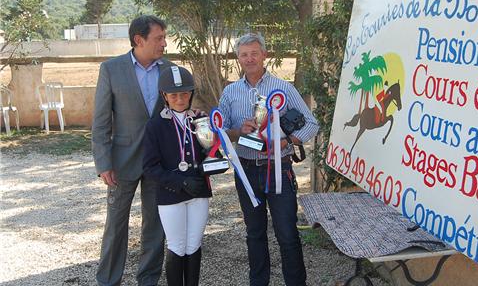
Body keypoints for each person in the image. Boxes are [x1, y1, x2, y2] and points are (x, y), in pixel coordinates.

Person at [219, 33, 319, 286]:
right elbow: (221, 132)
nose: (249, 58)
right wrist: (235, 131)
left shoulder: (283, 89)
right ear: (238, 58)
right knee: (254, 234)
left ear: (264, 55)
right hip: (246, 171)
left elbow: (312, 124)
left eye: (254, 53)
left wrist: (286, 142)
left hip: (279, 170)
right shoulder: (230, 92)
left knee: (287, 234)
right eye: (244, 54)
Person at [92, 15, 172, 286]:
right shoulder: (111, 69)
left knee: (155, 226)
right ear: (139, 40)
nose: (164, 42)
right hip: (120, 163)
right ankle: (108, 280)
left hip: (159, 163)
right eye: (158, 38)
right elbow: (101, 121)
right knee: (115, 226)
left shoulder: (170, 70)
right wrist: (103, 163)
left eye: (164, 37)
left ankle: (148, 280)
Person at [143, 66, 212, 286]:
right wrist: (180, 181)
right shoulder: (155, 126)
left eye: (184, 94)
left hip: (199, 190)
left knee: (194, 244)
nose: (180, 99)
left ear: (191, 94)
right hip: (172, 193)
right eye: (174, 95)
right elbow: (150, 168)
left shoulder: (200, 120)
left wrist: (213, 162)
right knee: (176, 245)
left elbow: (211, 152)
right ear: (165, 96)